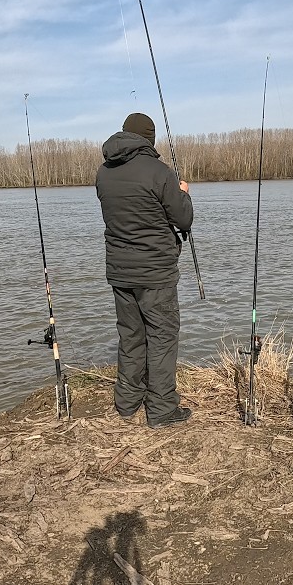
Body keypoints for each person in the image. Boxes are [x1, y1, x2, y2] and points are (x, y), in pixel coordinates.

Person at [95, 112, 194, 429]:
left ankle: (126, 402)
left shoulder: (104, 173)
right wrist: (183, 194)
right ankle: (162, 408)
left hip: (120, 272)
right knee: (162, 338)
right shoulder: (158, 172)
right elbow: (183, 220)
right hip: (156, 273)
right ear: (149, 139)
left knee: (131, 337)